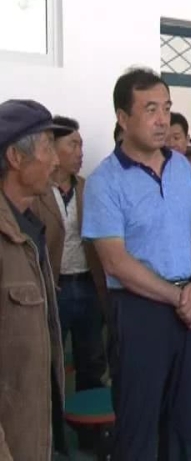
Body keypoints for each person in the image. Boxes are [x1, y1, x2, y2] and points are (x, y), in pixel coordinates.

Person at [82, 67, 191, 460]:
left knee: (183, 421)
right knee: (138, 426)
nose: (162, 120)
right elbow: (115, 262)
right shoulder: (105, 181)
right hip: (140, 310)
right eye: (151, 109)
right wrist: (179, 298)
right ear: (123, 118)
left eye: (167, 109)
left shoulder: (180, 167)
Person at [0, 99, 73, 459]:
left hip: (35, 434)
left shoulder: (31, 228)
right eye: (47, 148)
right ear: (15, 157)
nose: (56, 160)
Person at [32, 115, 108, 392]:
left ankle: (91, 418)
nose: (80, 153)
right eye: (73, 145)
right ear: (52, 148)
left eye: (81, 145)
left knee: (92, 359)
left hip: (88, 285)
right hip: (55, 287)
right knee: (50, 361)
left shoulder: (89, 188)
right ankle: (56, 417)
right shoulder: (36, 191)